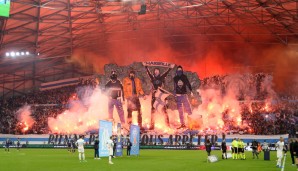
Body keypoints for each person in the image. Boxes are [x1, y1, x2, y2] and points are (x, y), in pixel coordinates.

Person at [144, 64, 173, 130]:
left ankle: (167, 124)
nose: (156, 72)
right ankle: (152, 125)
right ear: (154, 72)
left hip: (160, 95)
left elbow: (165, 73)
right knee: (153, 110)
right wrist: (146, 67)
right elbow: (149, 74)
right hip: (154, 96)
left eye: (157, 71)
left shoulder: (161, 78)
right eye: (155, 71)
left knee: (164, 110)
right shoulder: (153, 78)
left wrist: (170, 68)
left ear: (159, 72)